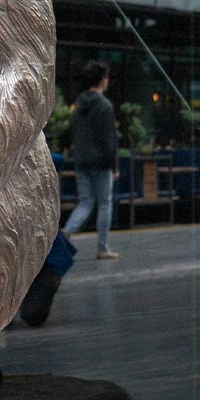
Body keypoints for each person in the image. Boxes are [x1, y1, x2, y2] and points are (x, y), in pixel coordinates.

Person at [61, 60, 119, 260]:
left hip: (82, 161)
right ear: (102, 80)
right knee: (105, 203)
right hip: (101, 163)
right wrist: (113, 165)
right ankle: (102, 248)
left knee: (85, 202)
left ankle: (66, 233)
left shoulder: (78, 105)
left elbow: (73, 134)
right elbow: (108, 139)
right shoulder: (104, 105)